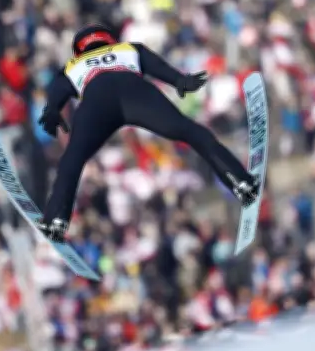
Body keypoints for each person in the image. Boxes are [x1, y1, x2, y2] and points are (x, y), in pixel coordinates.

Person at [36, 23, 260, 242]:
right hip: (137, 94)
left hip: (98, 102)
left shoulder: (72, 65)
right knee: (192, 132)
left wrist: (51, 110)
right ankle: (241, 182)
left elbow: (57, 91)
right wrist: (180, 81)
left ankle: (56, 220)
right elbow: (158, 67)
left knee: (72, 161)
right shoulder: (128, 48)